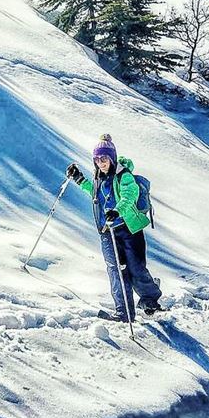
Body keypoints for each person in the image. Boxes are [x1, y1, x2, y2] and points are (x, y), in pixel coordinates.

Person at [66, 134, 162, 322]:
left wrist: (117, 211)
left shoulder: (123, 176)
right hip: (107, 232)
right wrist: (78, 179)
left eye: (104, 158)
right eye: (97, 159)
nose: (100, 163)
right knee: (116, 271)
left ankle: (150, 298)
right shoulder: (98, 178)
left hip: (128, 230)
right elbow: (94, 193)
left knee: (136, 269)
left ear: (112, 158)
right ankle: (124, 313)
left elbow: (129, 195)